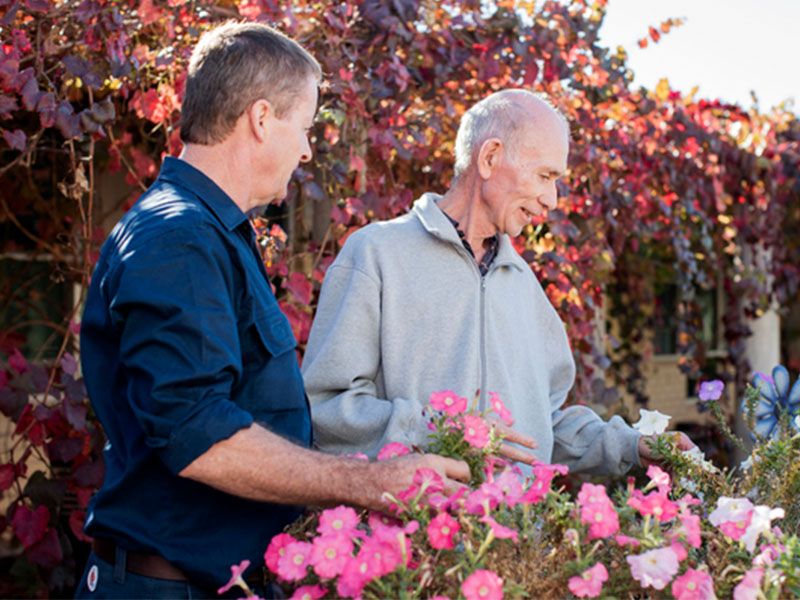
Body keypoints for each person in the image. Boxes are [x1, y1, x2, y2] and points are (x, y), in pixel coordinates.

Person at [75, 22, 468, 599]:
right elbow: (200, 436)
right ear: (261, 119)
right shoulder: (179, 238)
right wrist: (369, 483)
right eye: (305, 127)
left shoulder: (212, 232)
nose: (308, 149)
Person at [302, 89, 694, 475]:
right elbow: (328, 408)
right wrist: (444, 432)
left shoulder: (524, 286)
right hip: (408, 535)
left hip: (510, 538)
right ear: (489, 158)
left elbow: (544, 425)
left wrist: (632, 445)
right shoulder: (376, 255)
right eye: (544, 175)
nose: (552, 199)